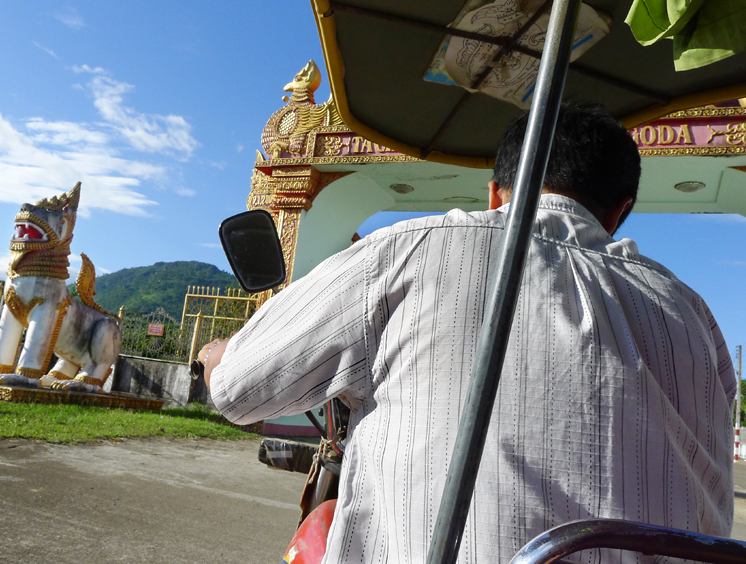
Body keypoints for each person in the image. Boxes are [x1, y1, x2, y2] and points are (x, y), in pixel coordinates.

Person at [199, 104, 736, 563]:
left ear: (495, 193)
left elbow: (239, 391)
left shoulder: (410, 249)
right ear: (619, 214)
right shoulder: (693, 313)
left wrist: (218, 355)